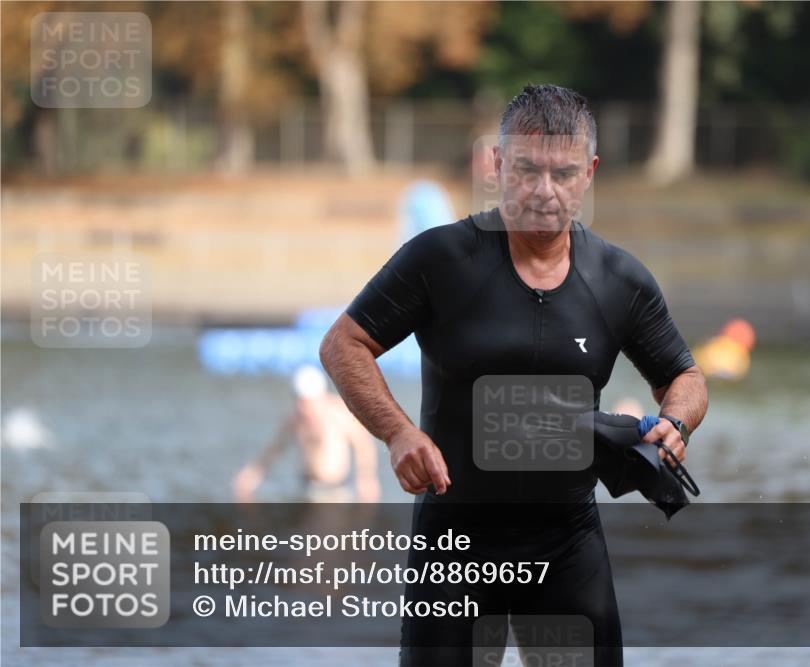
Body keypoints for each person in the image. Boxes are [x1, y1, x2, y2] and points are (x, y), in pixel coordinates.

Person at [320, 84, 708, 666]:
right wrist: (397, 432)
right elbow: (343, 344)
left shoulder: (617, 280)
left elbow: (687, 377)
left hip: (567, 542)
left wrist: (674, 423)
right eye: (526, 169)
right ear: (498, 164)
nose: (543, 191)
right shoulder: (442, 260)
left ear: (590, 173)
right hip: (455, 542)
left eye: (563, 173)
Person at [232, 365, 381, 503]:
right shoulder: (296, 418)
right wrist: (253, 474)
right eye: (300, 402)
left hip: (336, 491)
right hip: (307, 488)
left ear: (320, 397)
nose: (304, 409)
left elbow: (364, 445)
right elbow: (275, 449)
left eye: (308, 403)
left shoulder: (340, 414)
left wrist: (367, 478)